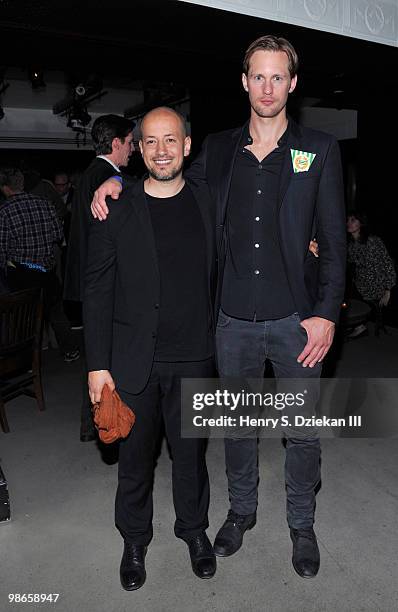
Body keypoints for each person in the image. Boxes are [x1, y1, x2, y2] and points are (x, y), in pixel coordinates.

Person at [91, 35, 346, 579]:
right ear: (244, 81)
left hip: (297, 322)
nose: (268, 87)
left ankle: (301, 524)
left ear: (293, 84)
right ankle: (241, 513)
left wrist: (326, 312)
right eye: (258, 76)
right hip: (229, 323)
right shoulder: (220, 148)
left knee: (300, 432)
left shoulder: (318, 150)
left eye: (279, 77)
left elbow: (334, 240)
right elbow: (168, 181)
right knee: (237, 428)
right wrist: (114, 180)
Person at [83, 107, 217, 590]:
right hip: (133, 361)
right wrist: (97, 365)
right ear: (138, 150)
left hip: (196, 357)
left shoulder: (209, 200)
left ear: (186, 145)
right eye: (151, 142)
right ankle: (135, 539)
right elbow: (96, 290)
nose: (161, 150)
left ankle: (194, 531)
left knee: (191, 459)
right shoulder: (116, 207)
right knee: (134, 463)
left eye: (170, 140)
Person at [64, 114, 135, 441]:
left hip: (85, 279)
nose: (133, 149)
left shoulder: (89, 175)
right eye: (131, 142)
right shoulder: (108, 177)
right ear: (117, 142)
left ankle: (88, 425)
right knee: (107, 359)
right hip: (103, 283)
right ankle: (104, 422)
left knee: (95, 358)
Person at [0, 167, 79, 361]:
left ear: (5, 188)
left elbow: (1, 249)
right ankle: (70, 350)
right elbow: (58, 236)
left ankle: (24, 359)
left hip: (21, 274)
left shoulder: (4, 211)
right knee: (56, 312)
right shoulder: (45, 204)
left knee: (22, 318)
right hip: (47, 270)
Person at [347, 211, 396, 337]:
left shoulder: (373, 241)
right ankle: (358, 325)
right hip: (361, 283)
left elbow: (387, 263)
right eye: (348, 220)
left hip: (375, 284)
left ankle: (359, 326)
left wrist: (388, 289)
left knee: (348, 293)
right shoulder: (352, 245)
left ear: (361, 224)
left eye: (353, 220)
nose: (349, 223)